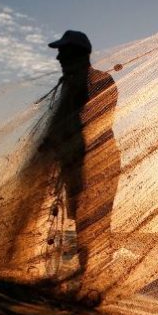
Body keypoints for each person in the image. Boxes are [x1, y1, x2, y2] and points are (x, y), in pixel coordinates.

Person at [42, 30, 121, 286]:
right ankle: (92, 281)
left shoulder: (94, 81)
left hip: (97, 162)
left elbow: (90, 123)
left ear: (78, 53)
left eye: (63, 52)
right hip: (80, 161)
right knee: (84, 223)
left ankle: (95, 283)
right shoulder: (74, 83)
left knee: (93, 224)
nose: (58, 58)